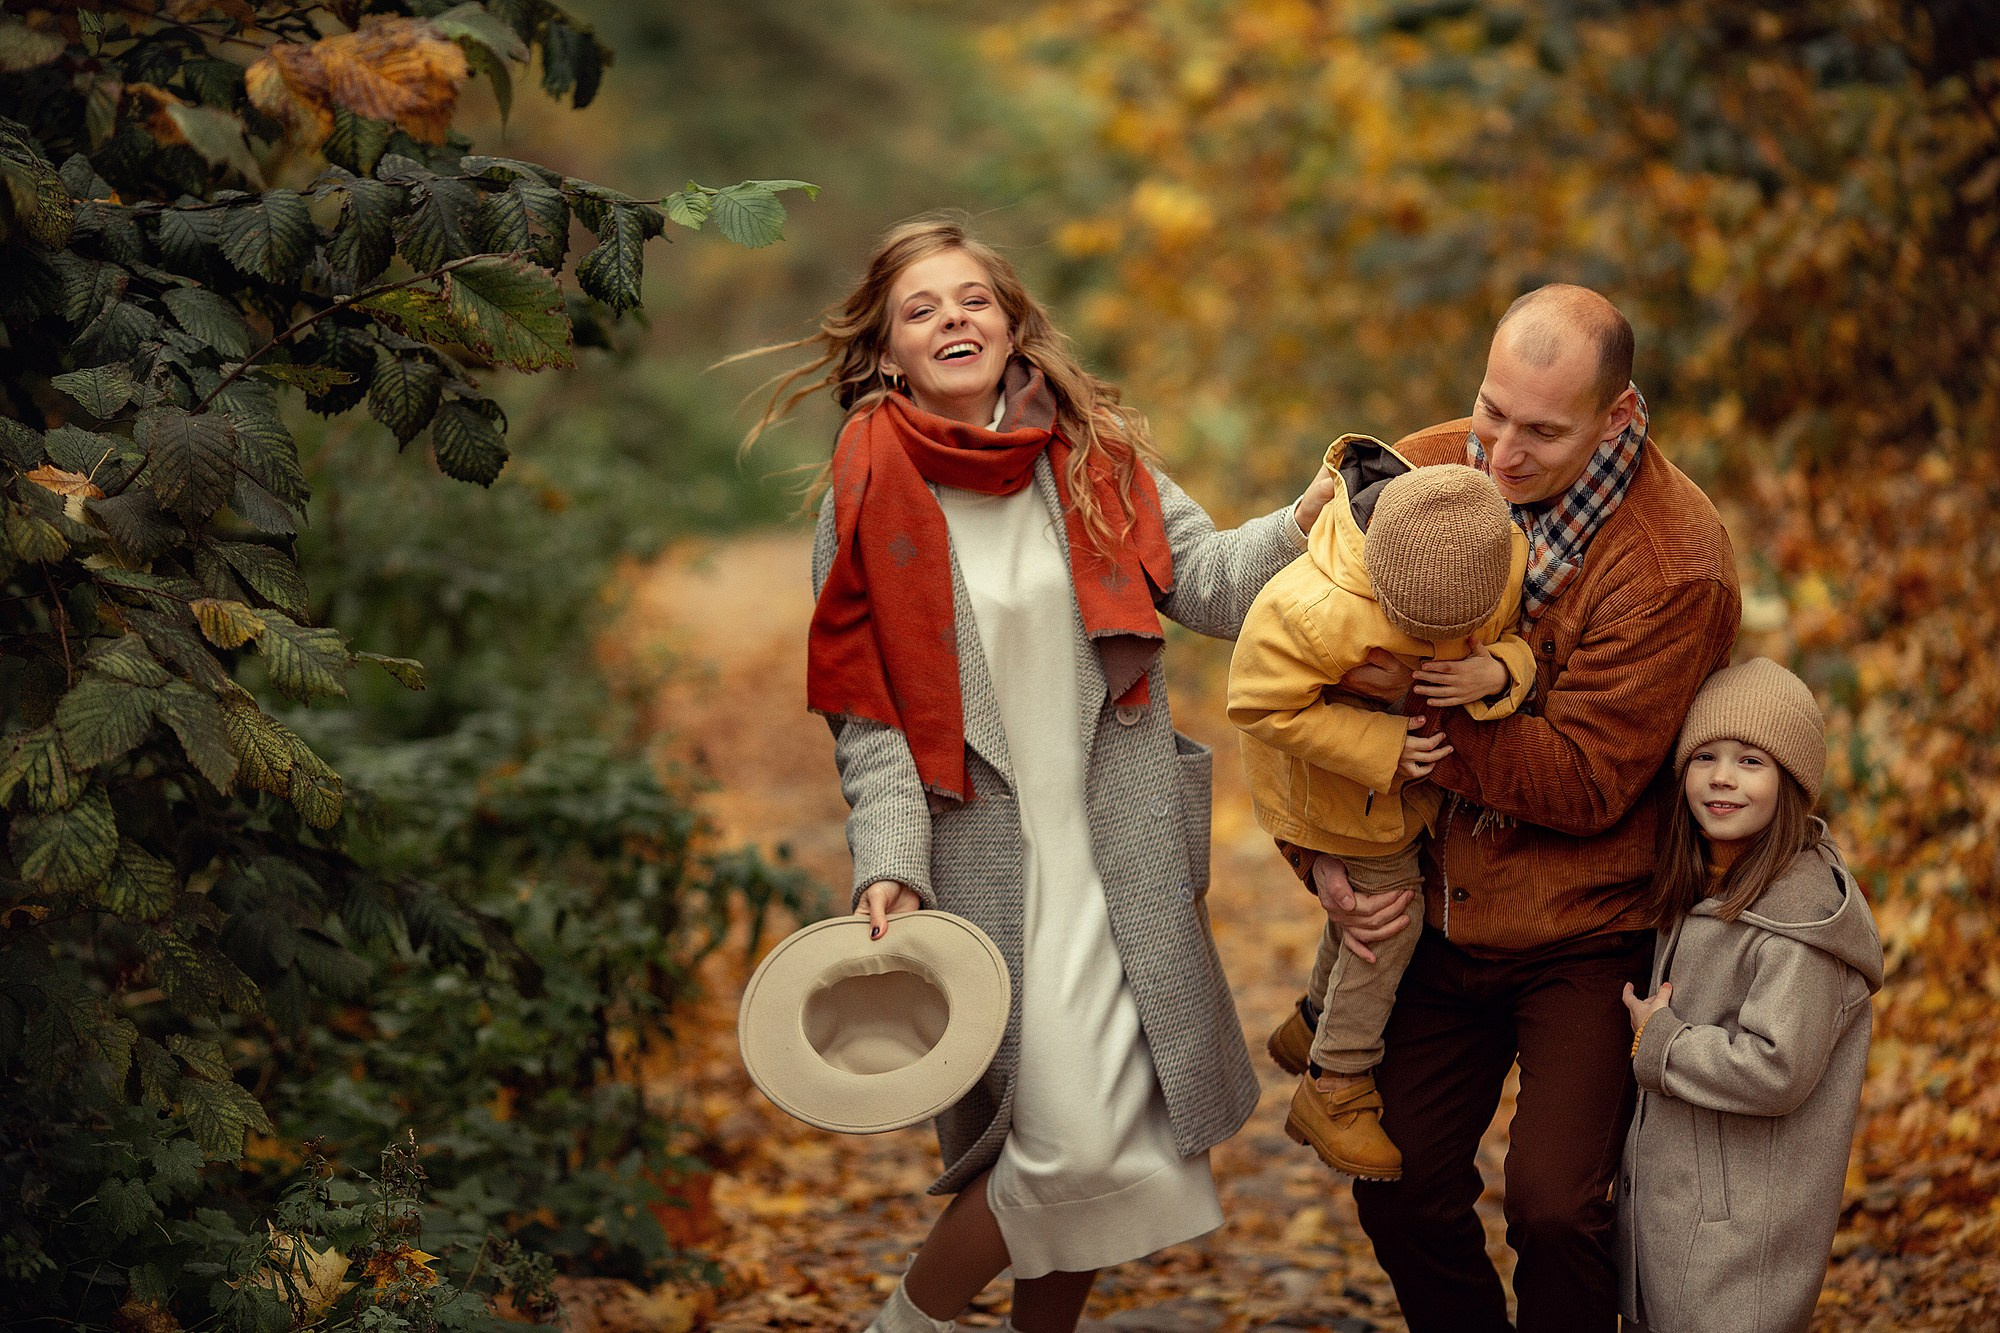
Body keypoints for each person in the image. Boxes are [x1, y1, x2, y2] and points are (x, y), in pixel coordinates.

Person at [740, 215, 1337, 1333]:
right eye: (921, 309)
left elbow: (1205, 582)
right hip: (985, 866)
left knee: (1095, 1152)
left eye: (972, 299)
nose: (951, 319)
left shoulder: (1097, 459)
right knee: (1057, 1147)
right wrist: (886, 860)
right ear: (885, 353)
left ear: (1012, 325)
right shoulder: (861, 497)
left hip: (1118, 853)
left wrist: (1303, 520)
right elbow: (864, 714)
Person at [1275, 284, 1742, 1331]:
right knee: (1395, 1184)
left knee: (1555, 1207)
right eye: (1491, 410)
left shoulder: (1674, 561)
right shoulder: (1423, 470)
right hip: (1431, 917)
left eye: (1540, 429)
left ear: (1615, 416)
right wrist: (1315, 861)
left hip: (1583, 926)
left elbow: (1584, 781)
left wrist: (1411, 713)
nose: (1501, 449)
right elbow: (1292, 676)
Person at [1227, 440, 1535, 1180]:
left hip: (1404, 789)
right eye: (1420, 631)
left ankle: (1312, 1022)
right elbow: (1254, 701)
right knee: (1388, 916)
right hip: (1334, 789)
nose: (1448, 643)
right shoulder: (1312, 609)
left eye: (1465, 626)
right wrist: (1379, 743)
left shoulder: (1489, 546)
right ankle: (1335, 1082)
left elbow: (1519, 644)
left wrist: (1499, 665)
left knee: (1380, 896)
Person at [1617, 658, 1881, 1333]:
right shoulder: (1705, 879)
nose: (1722, 776)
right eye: (1704, 756)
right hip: (1685, 1221)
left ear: (1790, 782)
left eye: (1750, 760)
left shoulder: (1797, 920)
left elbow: (1777, 1065)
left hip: (1740, 1236)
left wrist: (1663, 1041)